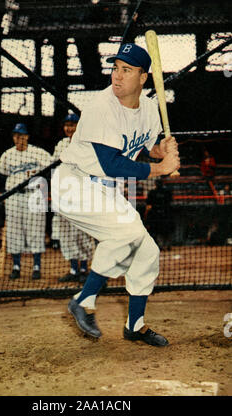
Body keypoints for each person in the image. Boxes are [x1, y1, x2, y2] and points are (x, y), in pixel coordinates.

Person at [51, 43, 180, 346]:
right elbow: (112, 163)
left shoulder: (149, 108)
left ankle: (134, 325)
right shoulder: (101, 106)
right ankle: (83, 300)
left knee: (146, 251)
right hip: (74, 183)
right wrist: (161, 169)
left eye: (126, 70)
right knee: (125, 233)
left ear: (143, 78)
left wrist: (165, 151)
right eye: (115, 68)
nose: (117, 76)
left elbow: (150, 148)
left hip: (104, 189)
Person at [0, 123, 51, 280]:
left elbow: (53, 163)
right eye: (15, 135)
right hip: (14, 196)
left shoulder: (37, 152)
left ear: (27, 136)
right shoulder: (8, 154)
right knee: (14, 232)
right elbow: (0, 170)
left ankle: (36, 266)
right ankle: (16, 266)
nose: (18, 138)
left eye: (21, 135)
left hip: (33, 195)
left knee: (36, 231)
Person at [51, 114, 95, 284]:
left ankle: (84, 268)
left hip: (81, 193)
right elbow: (54, 168)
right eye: (66, 125)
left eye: (72, 125)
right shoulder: (61, 145)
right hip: (63, 194)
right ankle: (73, 268)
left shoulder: (86, 143)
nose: (69, 128)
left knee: (81, 231)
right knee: (65, 233)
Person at [144, 178, 174, 250]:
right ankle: (166, 245)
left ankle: (162, 245)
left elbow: (148, 205)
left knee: (157, 230)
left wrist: (146, 214)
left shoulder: (153, 192)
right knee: (164, 230)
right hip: (165, 214)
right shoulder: (167, 192)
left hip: (156, 214)